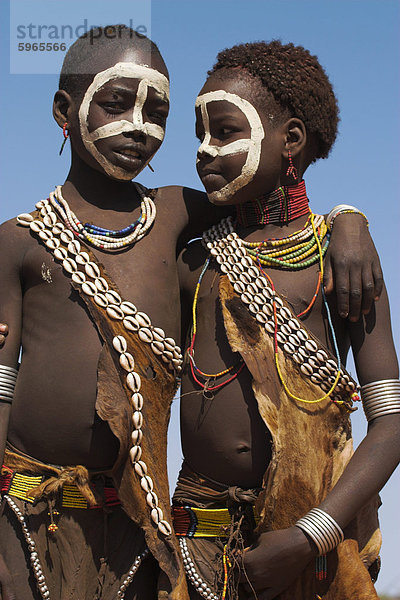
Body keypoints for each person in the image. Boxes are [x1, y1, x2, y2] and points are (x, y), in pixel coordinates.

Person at [0, 27, 384, 600]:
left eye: (158, 112)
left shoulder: (179, 216)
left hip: (153, 531)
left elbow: (271, 193)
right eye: (116, 102)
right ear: (64, 110)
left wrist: (351, 218)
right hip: (48, 521)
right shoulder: (26, 242)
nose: (139, 127)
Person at [174, 41, 400, 600]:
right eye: (199, 134)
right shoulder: (192, 261)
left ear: (291, 140)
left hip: (311, 544)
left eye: (225, 131)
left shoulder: (342, 263)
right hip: (195, 539)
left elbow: (392, 424)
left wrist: (307, 537)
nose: (203, 150)